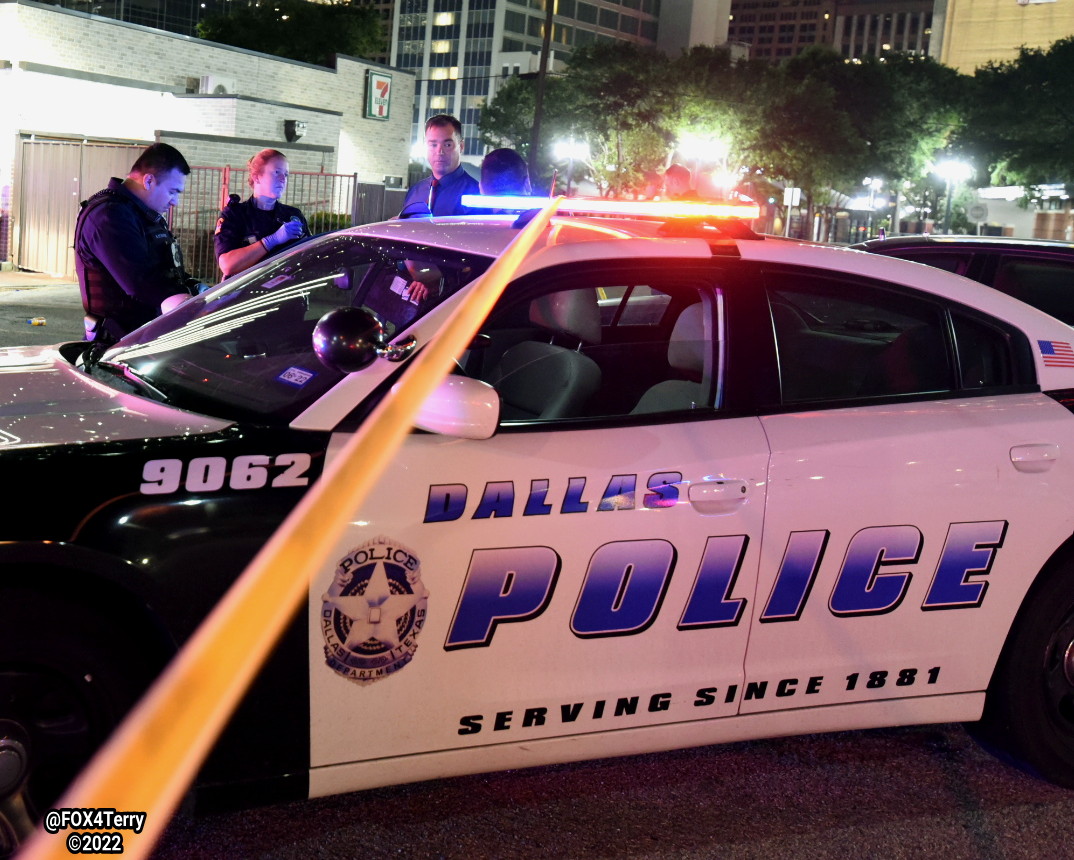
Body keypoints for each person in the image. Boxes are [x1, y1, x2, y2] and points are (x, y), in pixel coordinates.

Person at [74, 142, 204, 344]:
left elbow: (165, 269)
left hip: (142, 340)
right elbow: (141, 283)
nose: (175, 202)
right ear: (149, 180)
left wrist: (196, 289)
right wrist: (191, 305)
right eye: (173, 191)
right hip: (115, 346)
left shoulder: (141, 214)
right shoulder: (109, 215)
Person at [214, 149, 309, 278]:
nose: (282, 179)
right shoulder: (235, 214)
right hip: (248, 294)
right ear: (256, 177)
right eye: (276, 172)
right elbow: (228, 265)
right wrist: (271, 241)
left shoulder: (293, 215)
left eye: (286, 174)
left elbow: (310, 256)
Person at [399, 115, 479, 218]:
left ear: (461, 146)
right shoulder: (416, 191)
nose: (439, 152)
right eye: (433, 145)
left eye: (447, 145)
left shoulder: (475, 194)